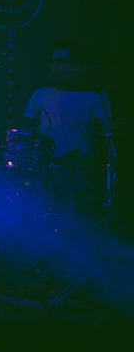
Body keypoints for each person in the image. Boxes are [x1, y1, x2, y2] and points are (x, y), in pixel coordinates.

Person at [23, 41, 114, 222]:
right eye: (53, 61)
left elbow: (107, 132)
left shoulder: (94, 96)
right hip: (46, 164)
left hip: (80, 165)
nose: (55, 66)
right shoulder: (41, 94)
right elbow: (27, 129)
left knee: (78, 213)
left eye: (61, 61)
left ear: (76, 65)